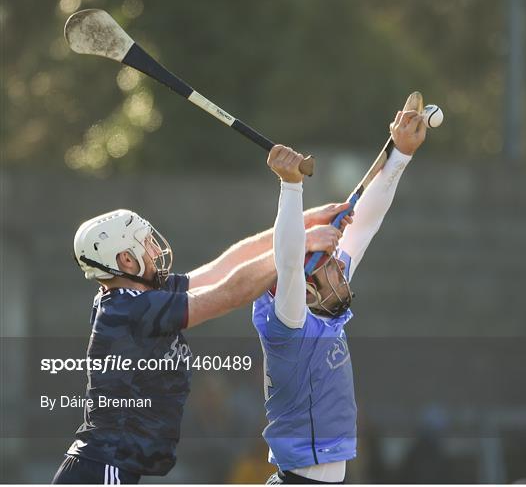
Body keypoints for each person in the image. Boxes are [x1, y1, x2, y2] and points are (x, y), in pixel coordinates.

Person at [52, 198, 351, 484]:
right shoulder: (131, 309)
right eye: (145, 242)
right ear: (126, 260)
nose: (155, 249)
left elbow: (223, 266)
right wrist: (297, 249)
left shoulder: (139, 296)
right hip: (103, 469)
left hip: (110, 467)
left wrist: (301, 224)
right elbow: (227, 294)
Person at [254, 109, 427, 484]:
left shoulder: (319, 301)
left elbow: (364, 224)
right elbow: (286, 263)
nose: (341, 269)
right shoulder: (288, 323)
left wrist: (401, 154)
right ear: (308, 285)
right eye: (330, 265)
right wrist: (291, 186)